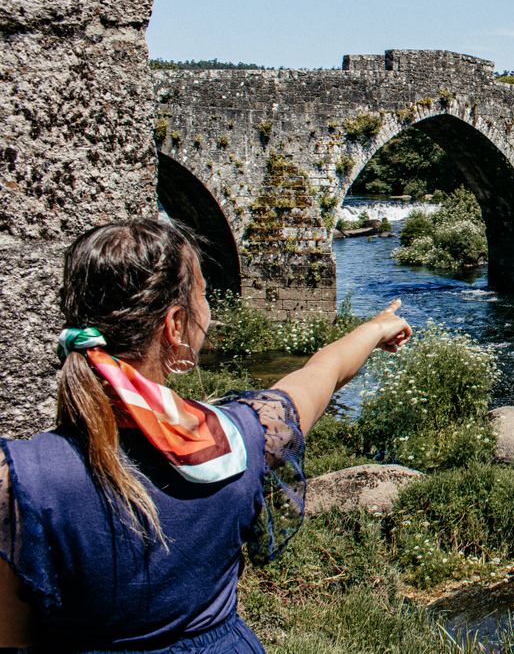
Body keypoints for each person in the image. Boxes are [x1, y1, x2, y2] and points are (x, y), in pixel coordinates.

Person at [0, 218, 411, 651]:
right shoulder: (241, 439)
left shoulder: (19, 481)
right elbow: (320, 374)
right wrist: (374, 329)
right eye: (204, 295)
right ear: (175, 325)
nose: (209, 308)